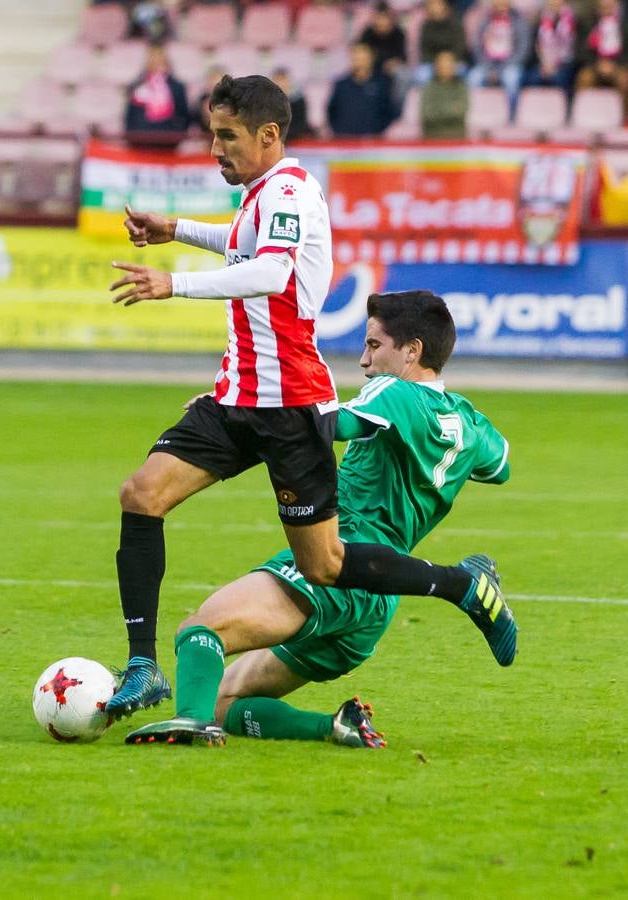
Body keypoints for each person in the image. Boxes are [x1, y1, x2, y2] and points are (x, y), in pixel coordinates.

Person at [106, 76, 510, 719]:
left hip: (292, 404)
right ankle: (142, 667)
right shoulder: (262, 194)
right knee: (141, 494)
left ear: (269, 136)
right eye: (212, 134)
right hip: (239, 395)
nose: (214, 149)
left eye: (226, 136)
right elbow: (245, 243)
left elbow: (272, 271)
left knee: (325, 564)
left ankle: (459, 585)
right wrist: (175, 228)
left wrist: (172, 283)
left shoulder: (291, 189)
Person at [125, 291, 517, 747]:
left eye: (374, 346)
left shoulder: (395, 393)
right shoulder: (469, 421)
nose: (364, 361)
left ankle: (190, 725)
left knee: (200, 631)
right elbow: (501, 467)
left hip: (335, 564)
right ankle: (333, 727)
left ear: (413, 351)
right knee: (225, 699)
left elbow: (330, 425)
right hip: (377, 601)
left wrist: (238, 410)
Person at [124, 42, 192, 147]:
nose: (156, 61)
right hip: (140, 141)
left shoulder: (177, 87)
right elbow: (130, 115)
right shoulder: (137, 86)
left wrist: (177, 135)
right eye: (153, 57)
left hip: (168, 141)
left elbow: (184, 115)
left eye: (159, 57)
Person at [467, 0, 530, 109]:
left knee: (511, 78)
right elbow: (477, 47)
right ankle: (472, 113)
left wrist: (501, 68)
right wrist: (489, 68)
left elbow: (523, 49)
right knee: (473, 78)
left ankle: (512, 115)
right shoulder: (484, 21)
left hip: (510, 64)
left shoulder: (519, 21)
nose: (499, 4)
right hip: (486, 64)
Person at [327, 43, 400, 136]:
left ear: (371, 59)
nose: (360, 62)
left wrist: (377, 130)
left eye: (363, 59)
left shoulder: (382, 83)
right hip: (344, 141)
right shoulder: (341, 84)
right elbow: (331, 111)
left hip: (373, 141)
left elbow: (390, 111)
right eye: (356, 58)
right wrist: (339, 131)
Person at [525, 0, 579, 94]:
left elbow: (575, 47)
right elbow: (534, 45)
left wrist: (556, 65)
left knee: (561, 78)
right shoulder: (539, 18)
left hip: (566, 63)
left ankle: (566, 108)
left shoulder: (574, 19)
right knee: (532, 78)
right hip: (542, 64)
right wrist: (544, 63)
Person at [575, 0, 628, 92]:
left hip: (618, 66)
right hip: (595, 65)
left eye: (610, 7)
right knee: (584, 79)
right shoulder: (589, 24)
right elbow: (582, 50)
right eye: (603, 7)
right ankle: (587, 106)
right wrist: (597, 64)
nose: (606, 10)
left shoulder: (624, 25)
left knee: (625, 81)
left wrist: (615, 65)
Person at [415, 0, 470, 86]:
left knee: (463, 72)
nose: (434, 7)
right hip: (433, 63)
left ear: (445, 6)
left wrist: (448, 61)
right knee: (422, 75)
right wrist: (438, 63)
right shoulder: (426, 26)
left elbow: (460, 47)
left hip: (454, 61)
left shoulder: (456, 23)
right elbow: (425, 51)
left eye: (437, 4)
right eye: (431, 4)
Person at [420, 49, 470, 138]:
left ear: (454, 66)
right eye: (441, 63)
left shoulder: (461, 87)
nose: (444, 66)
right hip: (432, 136)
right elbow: (427, 113)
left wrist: (439, 110)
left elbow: (461, 111)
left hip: (457, 136)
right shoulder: (428, 87)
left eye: (448, 63)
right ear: (436, 66)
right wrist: (450, 110)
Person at [269, 67, 310, 142]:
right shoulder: (265, 101)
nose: (280, 83)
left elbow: (300, 124)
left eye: (283, 79)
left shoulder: (298, 100)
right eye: (277, 79)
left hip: (293, 141)